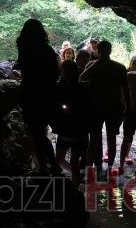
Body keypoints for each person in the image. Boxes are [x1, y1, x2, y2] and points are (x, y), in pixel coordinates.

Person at [15, 19, 61, 175]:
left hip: (30, 95)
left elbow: (25, 73)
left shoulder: (25, 51)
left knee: (36, 135)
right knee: (39, 134)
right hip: (45, 96)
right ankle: (50, 167)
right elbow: (55, 75)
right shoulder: (48, 50)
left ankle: (46, 168)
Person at [79, 40, 129, 175]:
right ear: (110, 50)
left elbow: (81, 78)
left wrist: (96, 64)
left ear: (98, 51)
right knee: (110, 139)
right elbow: (125, 89)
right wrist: (127, 107)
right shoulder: (119, 67)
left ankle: (90, 169)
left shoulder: (92, 65)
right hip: (113, 108)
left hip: (96, 107)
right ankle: (109, 168)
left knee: (94, 140)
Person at [52, 61, 92, 186]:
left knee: (61, 159)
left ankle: (75, 186)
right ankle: (76, 187)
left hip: (70, 131)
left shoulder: (61, 88)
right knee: (71, 162)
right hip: (78, 131)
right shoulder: (81, 88)